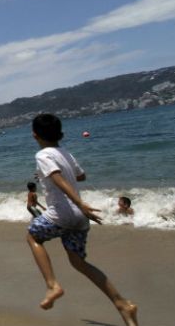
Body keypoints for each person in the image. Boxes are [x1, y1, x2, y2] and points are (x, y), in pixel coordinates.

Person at [25, 113, 138, 326]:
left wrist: (78, 202)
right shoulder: (65, 153)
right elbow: (81, 176)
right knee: (78, 262)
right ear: (61, 134)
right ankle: (123, 305)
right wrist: (77, 200)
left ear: (34, 135)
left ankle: (52, 285)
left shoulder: (42, 155)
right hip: (79, 218)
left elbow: (57, 177)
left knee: (33, 237)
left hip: (64, 212)